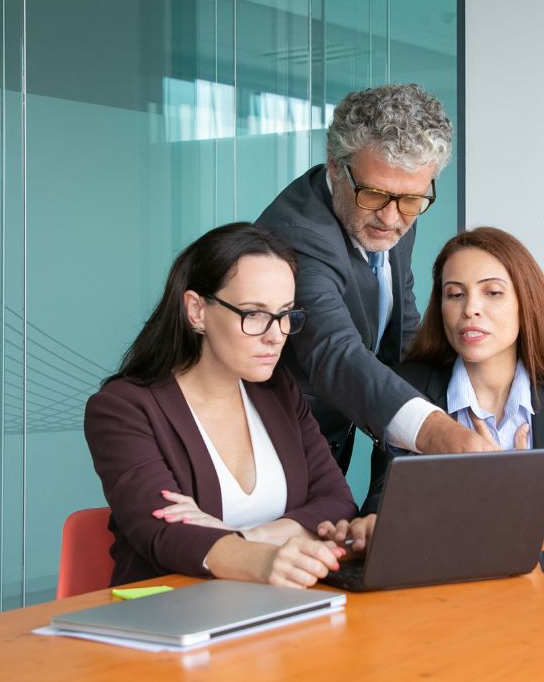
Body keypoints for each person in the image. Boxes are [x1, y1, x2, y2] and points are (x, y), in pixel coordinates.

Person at [321, 227, 544, 549]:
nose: (470, 309)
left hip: (543, 591)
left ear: (525, 303)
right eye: (455, 294)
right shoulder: (409, 389)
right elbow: (381, 507)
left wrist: (508, 492)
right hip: (442, 587)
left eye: (492, 292)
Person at [84, 222, 357, 588]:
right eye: (255, 314)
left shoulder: (278, 392)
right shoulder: (123, 409)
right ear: (196, 310)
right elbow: (164, 533)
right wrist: (269, 558)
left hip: (278, 610)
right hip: (170, 617)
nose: (277, 335)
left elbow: (337, 502)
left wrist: (244, 537)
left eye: (286, 313)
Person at [256, 83, 494, 473]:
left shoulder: (395, 207)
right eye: (373, 195)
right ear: (336, 166)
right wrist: (439, 432)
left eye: (412, 201)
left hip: (330, 444)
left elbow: (402, 327)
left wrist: (474, 393)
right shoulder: (296, 237)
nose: (390, 218)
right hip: (270, 453)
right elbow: (333, 350)